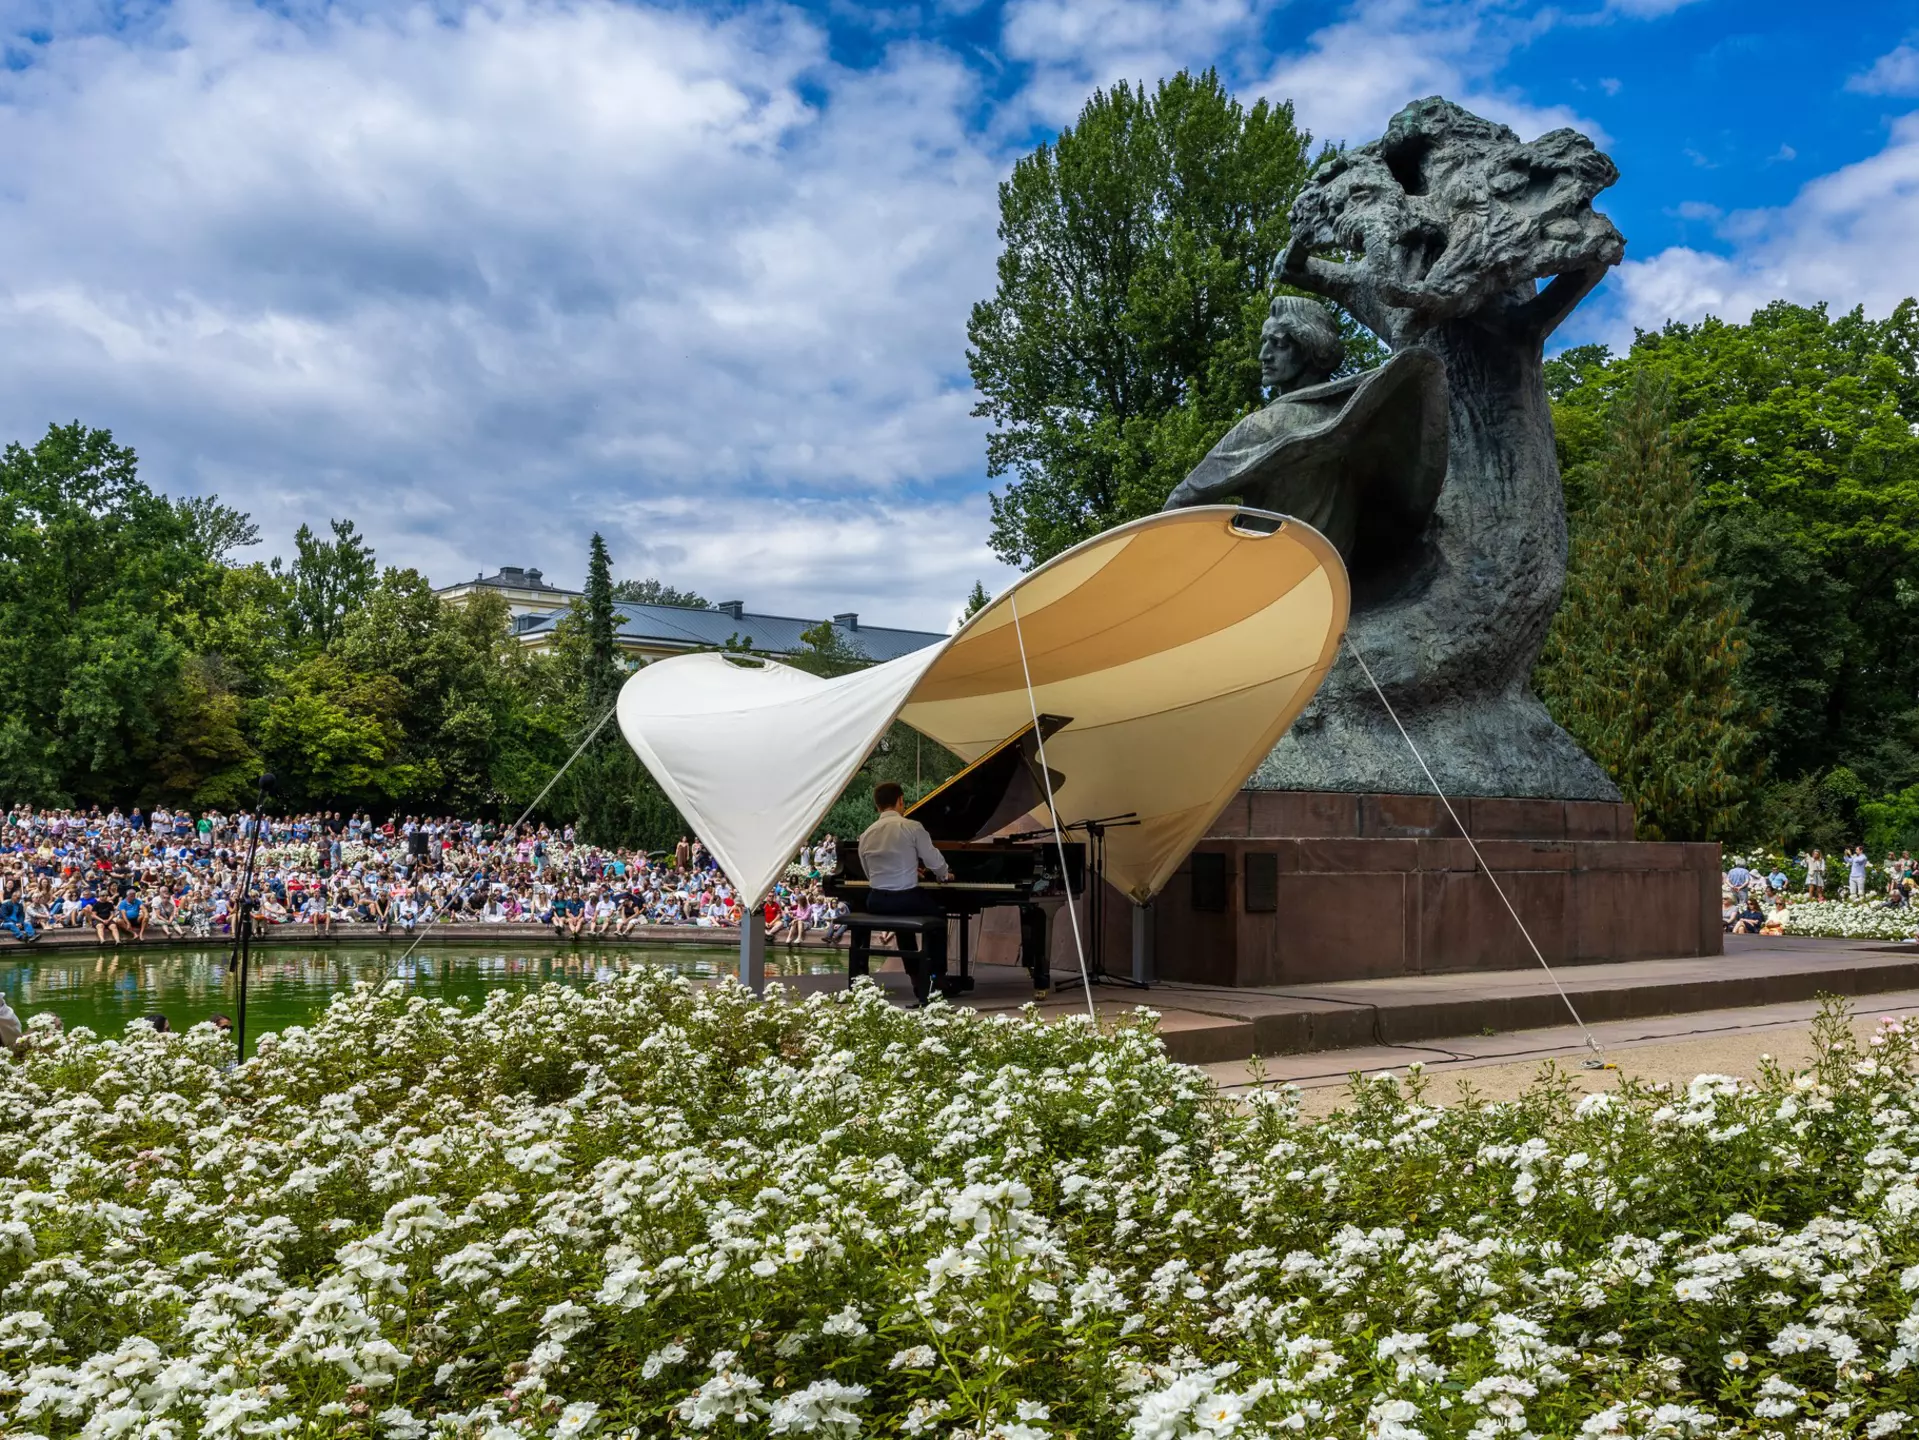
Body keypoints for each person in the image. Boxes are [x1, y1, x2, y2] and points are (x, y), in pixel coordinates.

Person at [857, 780, 953, 1006]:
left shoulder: (866, 834)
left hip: (876, 901)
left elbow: (869, 872)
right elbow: (933, 861)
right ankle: (937, 976)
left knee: (903, 925)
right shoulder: (912, 827)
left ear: (877, 805)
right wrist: (944, 875)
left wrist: (905, 870)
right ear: (900, 800)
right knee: (939, 916)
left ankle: (915, 976)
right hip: (907, 899)